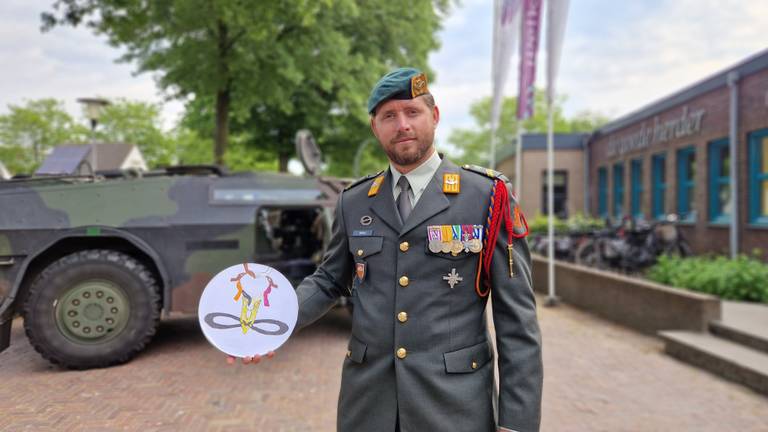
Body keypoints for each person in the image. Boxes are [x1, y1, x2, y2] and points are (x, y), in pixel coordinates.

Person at [230, 67, 542, 432]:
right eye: (389, 116)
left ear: (435, 116)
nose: (402, 125)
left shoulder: (487, 196)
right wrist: (276, 322)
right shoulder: (354, 200)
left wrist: (516, 423)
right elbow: (330, 279)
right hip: (369, 404)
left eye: (412, 112)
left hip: (454, 406)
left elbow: (517, 322)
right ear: (375, 127)